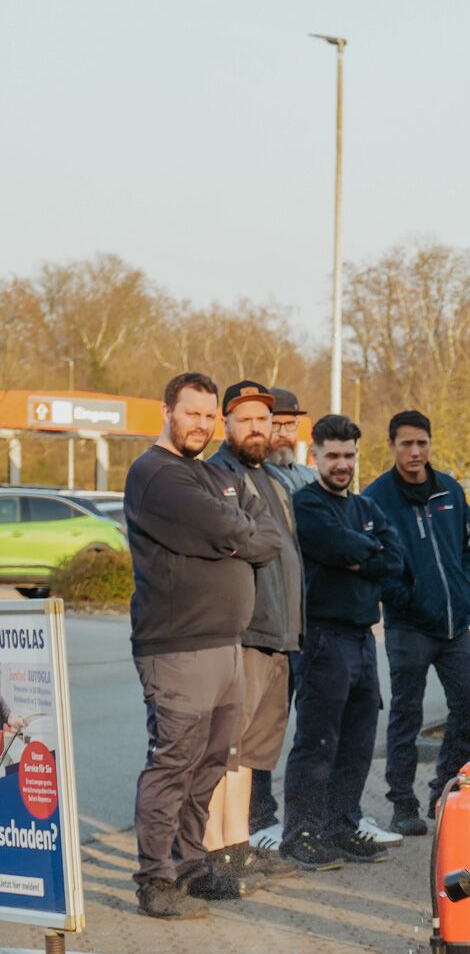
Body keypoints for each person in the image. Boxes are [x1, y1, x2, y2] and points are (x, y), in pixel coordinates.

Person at [125, 372, 280, 918]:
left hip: (226, 645)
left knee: (211, 764)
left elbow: (264, 537)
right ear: (166, 411)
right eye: (191, 413)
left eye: (209, 415)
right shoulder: (155, 474)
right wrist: (234, 534)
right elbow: (230, 526)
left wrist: (231, 537)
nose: (202, 424)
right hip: (177, 646)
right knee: (174, 763)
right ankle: (154, 879)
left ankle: (192, 867)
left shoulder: (211, 474)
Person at [280, 415, 404, 868]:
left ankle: (341, 825)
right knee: (317, 741)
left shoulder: (368, 509)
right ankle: (302, 832)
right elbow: (338, 546)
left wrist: (360, 555)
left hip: (363, 638)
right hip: (321, 637)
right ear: (314, 457)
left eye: (349, 455)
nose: (342, 464)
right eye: (332, 455)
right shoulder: (305, 505)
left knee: (357, 740)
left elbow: (395, 560)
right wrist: (362, 553)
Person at [363, 410, 470, 835]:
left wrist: (465, 586)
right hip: (407, 627)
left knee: (469, 699)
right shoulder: (376, 498)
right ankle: (402, 803)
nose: (415, 452)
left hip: (453, 626)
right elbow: (373, 563)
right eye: (406, 444)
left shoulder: (449, 489)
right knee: (406, 716)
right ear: (392, 446)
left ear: (430, 444)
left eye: (422, 444)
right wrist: (404, 597)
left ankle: (445, 790)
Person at [206, 379, 303, 885]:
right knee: (225, 748)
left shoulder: (271, 479)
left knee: (252, 754)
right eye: (245, 419)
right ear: (227, 423)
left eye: (263, 419)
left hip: (279, 637)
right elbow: (243, 544)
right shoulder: (221, 473)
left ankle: (238, 845)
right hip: (245, 632)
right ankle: (213, 852)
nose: (256, 428)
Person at [265, 388, 318, 494]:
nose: (283, 433)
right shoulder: (253, 478)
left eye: (290, 424)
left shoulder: (312, 476)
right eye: (275, 424)